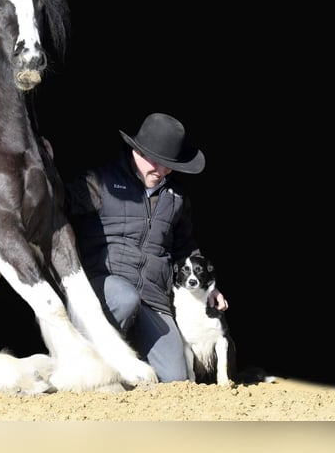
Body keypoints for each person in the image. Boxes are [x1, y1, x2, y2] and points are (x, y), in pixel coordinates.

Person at [63, 112, 228, 382]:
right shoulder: (100, 181)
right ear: (135, 150)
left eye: (169, 165)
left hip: (154, 298)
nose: (161, 171)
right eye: (156, 162)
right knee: (125, 298)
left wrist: (211, 285)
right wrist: (44, 163)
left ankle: (131, 366)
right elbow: (54, 203)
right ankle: (88, 366)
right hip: (107, 288)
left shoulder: (176, 198)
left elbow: (185, 248)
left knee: (177, 379)